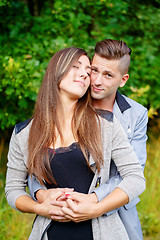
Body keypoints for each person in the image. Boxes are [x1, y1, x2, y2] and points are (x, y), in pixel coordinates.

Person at [5, 47, 145, 240]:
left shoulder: (105, 124)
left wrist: (96, 208)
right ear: (56, 70)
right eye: (76, 66)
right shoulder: (24, 133)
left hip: (101, 232)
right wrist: (39, 207)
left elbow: (136, 178)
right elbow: (13, 189)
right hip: (51, 233)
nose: (85, 75)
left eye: (88, 71)